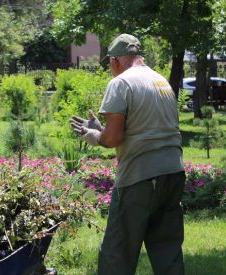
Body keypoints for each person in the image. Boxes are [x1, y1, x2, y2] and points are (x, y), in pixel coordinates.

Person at [70, 34, 185, 275]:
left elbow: (113, 139)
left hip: (140, 178)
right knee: (167, 250)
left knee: (117, 254)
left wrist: (92, 135)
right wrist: (101, 129)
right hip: (173, 173)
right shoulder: (161, 81)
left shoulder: (120, 83)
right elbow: (143, 130)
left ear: (114, 61)